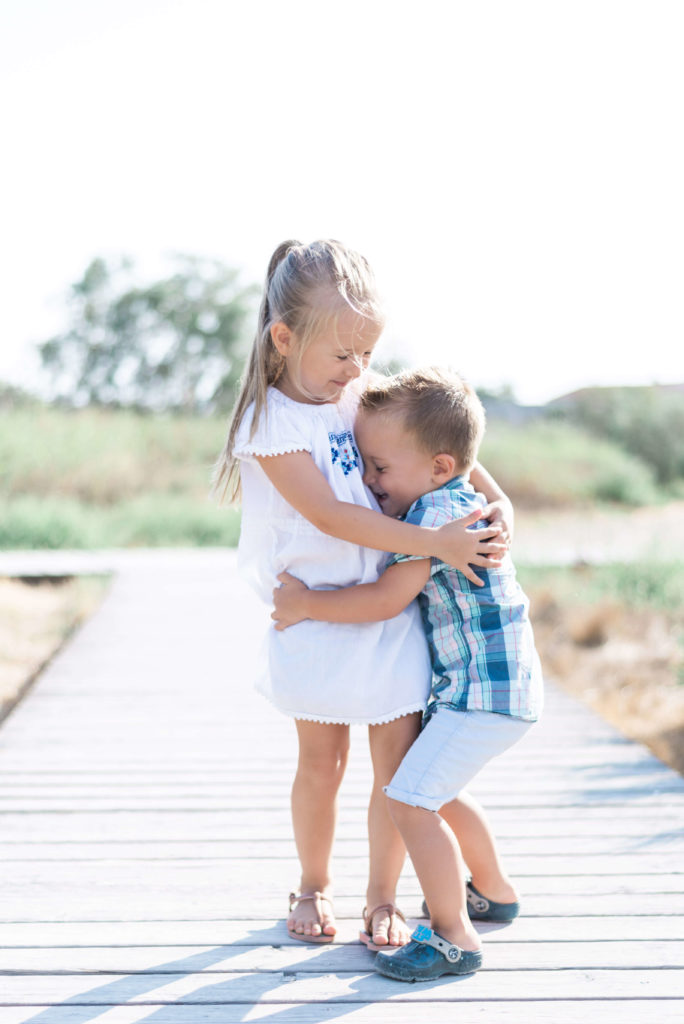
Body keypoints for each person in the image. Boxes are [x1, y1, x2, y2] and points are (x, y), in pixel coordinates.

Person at [214, 241, 512, 950]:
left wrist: (500, 507)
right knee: (322, 764)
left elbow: (444, 447)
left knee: (394, 769)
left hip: (391, 609)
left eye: (367, 354)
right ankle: (313, 884)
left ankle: (385, 896)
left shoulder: (354, 392)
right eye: (342, 355)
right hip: (314, 611)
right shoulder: (271, 424)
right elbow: (329, 515)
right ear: (285, 339)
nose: (357, 371)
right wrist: (436, 545)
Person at [272, 365, 543, 980]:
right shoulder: (464, 500)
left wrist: (306, 604)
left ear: (440, 466)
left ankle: (454, 935)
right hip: (506, 688)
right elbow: (474, 478)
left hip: (478, 695)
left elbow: (386, 599)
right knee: (436, 790)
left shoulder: (429, 521)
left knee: (407, 798)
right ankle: (494, 891)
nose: (370, 481)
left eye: (380, 468)